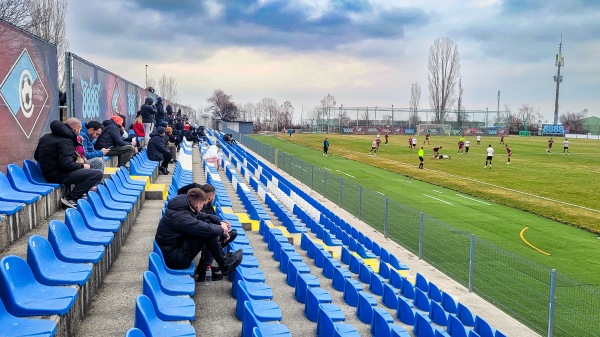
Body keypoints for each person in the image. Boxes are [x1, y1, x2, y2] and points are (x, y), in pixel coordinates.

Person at [154, 188, 243, 277]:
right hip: (173, 259)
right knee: (207, 234)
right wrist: (222, 229)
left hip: (175, 249)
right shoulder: (181, 217)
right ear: (198, 204)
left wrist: (221, 222)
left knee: (208, 224)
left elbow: (204, 216)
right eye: (203, 205)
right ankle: (224, 263)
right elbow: (208, 230)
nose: (202, 208)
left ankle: (222, 255)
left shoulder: (184, 207)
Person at [34, 119, 104, 209]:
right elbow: (66, 165)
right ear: (75, 129)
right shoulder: (66, 140)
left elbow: (36, 157)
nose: (79, 132)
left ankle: (83, 193)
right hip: (57, 175)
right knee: (97, 174)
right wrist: (82, 166)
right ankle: (71, 198)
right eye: (79, 129)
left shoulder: (45, 137)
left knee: (88, 170)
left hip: (48, 173)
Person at [176, 183, 238, 281]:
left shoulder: (183, 209)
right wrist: (221, 230)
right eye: (201, 204)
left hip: (180, 249)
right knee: (210, 236)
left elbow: (207, 218)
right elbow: (204, 227)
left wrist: (221, 223)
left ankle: (216, 263)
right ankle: (208, 269)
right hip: (176, 257)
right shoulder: (183, 214)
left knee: (212, 235)